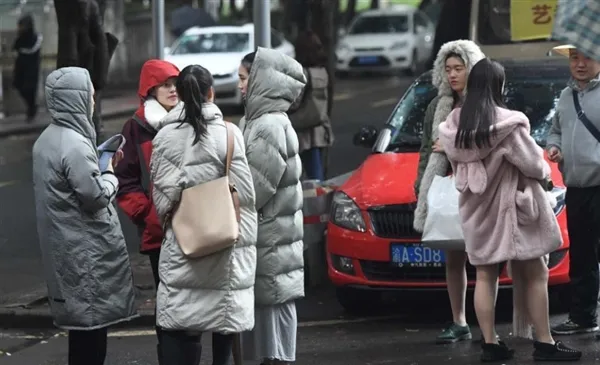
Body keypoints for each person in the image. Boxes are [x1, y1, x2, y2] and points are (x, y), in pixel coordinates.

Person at [438, 58, 582, 362]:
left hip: (476, 210)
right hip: (514, 210)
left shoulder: (454, 126)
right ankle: (544, 342)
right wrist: (544, 171)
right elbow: (533, 164)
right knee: (535, 273)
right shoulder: (508, 125)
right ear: (499, 85)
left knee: (485, 275)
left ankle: (490, 343)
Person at [150, 64, 257, 365]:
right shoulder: (230, 134)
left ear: (180, 96)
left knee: (178, 322)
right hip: (225, 244)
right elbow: (246, 195)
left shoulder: (165, 138)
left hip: (185, 245)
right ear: (211, 92)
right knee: (223, 323)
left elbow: (162, 201)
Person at [32, 67, 137, 365]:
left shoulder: (46, 140)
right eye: (89, 94)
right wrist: (109, 172)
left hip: (65, 248)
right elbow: (96, 197)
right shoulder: (75, 144)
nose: (93, 99)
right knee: (92, 336)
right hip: (86, 252)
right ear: (76, 98)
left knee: (80, 336)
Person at [413, 39, 485, 344]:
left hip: (479, 190)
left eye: (459, 68)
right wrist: (421, 187)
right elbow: (426, 153)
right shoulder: (437, 106)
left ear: (473, 68)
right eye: (448, 68)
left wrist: (453, 147)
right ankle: (459, 320)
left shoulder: (484, 103)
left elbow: (489, 148)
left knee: (483, 260)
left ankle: (489, 327)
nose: (453, 74)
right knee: (453, 258)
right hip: (446, 190)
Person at [237, 48, 306, 365]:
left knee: (271, 325)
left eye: (243, 78)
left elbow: (255, 188)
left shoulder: (267, 126)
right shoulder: (262, 121)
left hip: (269, 238)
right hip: (274, 237)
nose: (239, 85)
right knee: (271, 312)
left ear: (260, 80)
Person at [114, 59, 179, 360]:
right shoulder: (136, 128)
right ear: (150, 89)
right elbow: (124, 180)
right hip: (157, 234)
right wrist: (147, 215)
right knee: (166, 302)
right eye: (166, 84)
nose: (173, 89)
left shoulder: (187, 121)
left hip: (193, 228)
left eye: (176, 83)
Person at [546, 45, 600, 336]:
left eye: (587, 57)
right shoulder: (567, 97)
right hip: (576, 188)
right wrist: (553, 146)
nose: (580, 64)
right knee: (582, 256)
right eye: (574, 57)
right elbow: (555, 130)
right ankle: (583, 317)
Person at [288, 30, 334, 181]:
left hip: (303, 132)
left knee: (297, 175)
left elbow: (294, 103)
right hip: (319, 130)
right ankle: (319, 202)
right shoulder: (322, 72)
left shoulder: (303, 74)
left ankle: (308, 203)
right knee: (316, 175)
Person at [12, 13, 42, 122]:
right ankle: (32, 107)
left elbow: (32, 49)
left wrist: (21, 51)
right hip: (20, 68)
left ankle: (31, 110)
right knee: (19, 86)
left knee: (29, 89)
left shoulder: (35, 37)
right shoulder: (20, 37)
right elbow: (15, 48)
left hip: (31, 69)